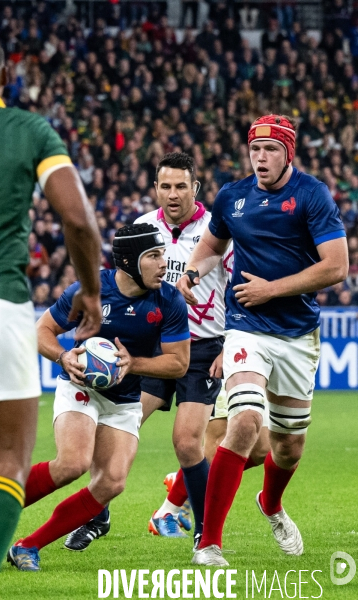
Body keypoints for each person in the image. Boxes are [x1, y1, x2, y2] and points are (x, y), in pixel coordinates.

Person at [65, 152, 269, 552]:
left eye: (181, 186)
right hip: (150, 346)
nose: (173, 194)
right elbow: (118, 285)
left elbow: (240, 289)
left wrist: (231, 345)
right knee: (112, 429)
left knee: (188, 442)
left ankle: (202, 532)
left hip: (202, 349)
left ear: (195, 188)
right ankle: (98, 514)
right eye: (165, 186)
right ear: (155, 188)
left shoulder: (217, 229)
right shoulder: (142, 228)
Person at [0, 33, 101, 600]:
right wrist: (90, 292)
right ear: (4, 75)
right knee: (9, 461)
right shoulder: (29, 130)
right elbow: (79, 220)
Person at [177, 114, 348, 566]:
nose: (261, 158)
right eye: (255, 149)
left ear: (289, 152)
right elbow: (213, 246)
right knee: (247, 420)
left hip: (297, 335)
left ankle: (270, 504)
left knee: (288, 448)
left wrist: (272, 289)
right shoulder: (232, 197)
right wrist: (193, 269)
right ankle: (208, 543)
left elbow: (336, 266)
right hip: (246, 329)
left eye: (271, 150)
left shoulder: (312, 195)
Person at [7, 223, 190, 571]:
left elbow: (179, 363)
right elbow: (42, 330)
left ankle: (26, 546)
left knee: (112, 481)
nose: (164, 263)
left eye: (163, 253)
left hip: (124, 398)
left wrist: (134, 363)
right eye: (154, 256)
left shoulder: (169, 299)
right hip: (81, 387)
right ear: (128, 261)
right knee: (73, 463)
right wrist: (63, 356)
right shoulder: (90, 291)